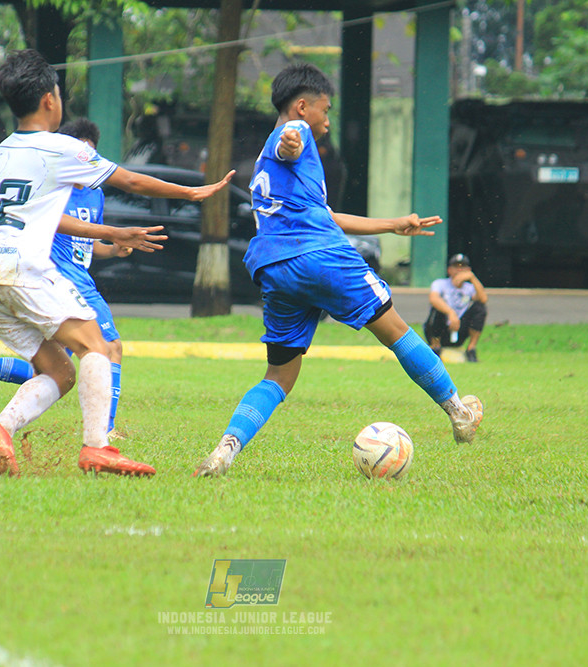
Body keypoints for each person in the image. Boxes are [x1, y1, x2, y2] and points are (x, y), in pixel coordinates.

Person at [194, 63, 483, 477]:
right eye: (324, 110)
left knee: (279, 375)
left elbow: (324, 215)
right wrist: (293, 139)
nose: (327, 121)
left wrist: (392, 224)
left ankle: (226, 448)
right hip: (320, 257)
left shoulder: (266, 168)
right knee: (396, 331)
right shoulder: (294, 135)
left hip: (275, 268)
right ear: (301, 106)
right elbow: (288, 142)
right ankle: (458, 411)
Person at [0, 49, 232, 478]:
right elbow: (129, 179)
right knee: (100, 345)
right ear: (50, 100)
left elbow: (42, 213)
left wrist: (110, 234)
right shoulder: (60, 147)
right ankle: (97, 448)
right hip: (23, 270)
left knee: (59, 371)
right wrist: (191, 193)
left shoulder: (5, 151)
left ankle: (1, 426)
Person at [0, 118, 129, 439]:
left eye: (91, 154)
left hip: (79, 275)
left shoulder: (95, 195)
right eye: (80, 152)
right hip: (60, 279)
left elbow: (86, 242)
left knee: (52, 369)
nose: (86, 161)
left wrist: (112, 250)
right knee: (111, 347)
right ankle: (105, 431)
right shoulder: (57, 189)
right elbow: (55, 227)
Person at [424, 253, 488, 362]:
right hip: (442, 327)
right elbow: (433, 299)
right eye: (456, 267)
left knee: (480, 308)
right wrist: (450, 313)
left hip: (460, 329)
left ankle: (471, 348)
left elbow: (483, 299)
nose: (459, 270)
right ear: (449, 270)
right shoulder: (440, 283)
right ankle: (436, 346)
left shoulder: (470, 288)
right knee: (437, 308)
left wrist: (473, 278)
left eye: (462, 267)